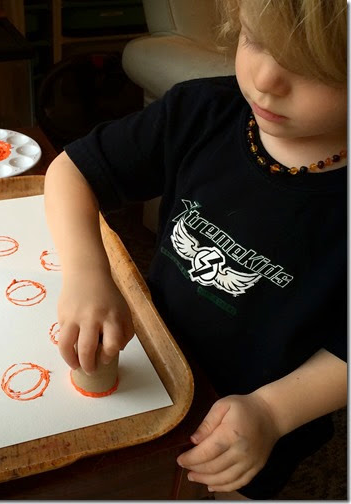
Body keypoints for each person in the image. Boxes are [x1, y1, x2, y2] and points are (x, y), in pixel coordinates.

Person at [43, 0, 347, 499]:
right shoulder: (203, 110)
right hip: (154, 359)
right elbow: (70, 171)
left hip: (261, 413)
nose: (266, 80)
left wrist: (273, 412)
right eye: (256, 40)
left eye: (313, 68)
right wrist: (86, 275)